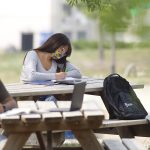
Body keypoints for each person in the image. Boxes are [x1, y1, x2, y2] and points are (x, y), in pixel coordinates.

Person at [20, 33, 82, 101]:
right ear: (54, 43)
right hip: (29, 95)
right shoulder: (32, 54)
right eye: (62, 50)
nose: (62, 54)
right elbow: (31, 76)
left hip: (48, 95)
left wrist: (64, 75)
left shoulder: (57, 61)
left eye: (65, 53)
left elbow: (78, 73)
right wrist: (56, 76)